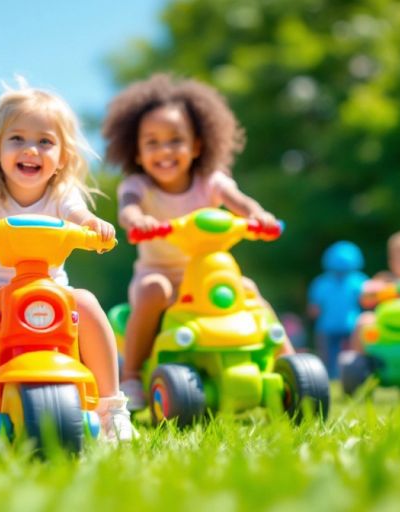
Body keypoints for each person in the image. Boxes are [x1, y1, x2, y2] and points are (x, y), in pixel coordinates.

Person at [0, 79, 136, 442]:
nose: (31, 149)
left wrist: (94, 226)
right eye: (17, 139)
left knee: (88, 305)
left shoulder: (62, 193)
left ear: (63, 157)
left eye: (45, 141)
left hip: (48, 289)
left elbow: (79, 214)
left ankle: (111, 406)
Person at [101, 73, 292, 411]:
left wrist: (257, 214)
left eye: (175, 140)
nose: (164, 150)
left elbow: (237, 199)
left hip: (205, 274)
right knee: (152, 290)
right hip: (158, 273)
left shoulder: (209, 180)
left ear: (197, 145)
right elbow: (127, 208)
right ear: (138, 152)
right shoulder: (138, 185)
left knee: (247, 288)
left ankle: (287, 359)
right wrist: (138, 220)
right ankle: (130, 375)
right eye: (152, 142)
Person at [308, 241, 368, 377]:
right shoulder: (359, 280)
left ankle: (331, 376)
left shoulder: (321, 282)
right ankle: (348, 376)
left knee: (329, 356)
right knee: (351, 355)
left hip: (328, 326)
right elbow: (367, 302)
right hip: (350, 325)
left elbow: (314, 309)